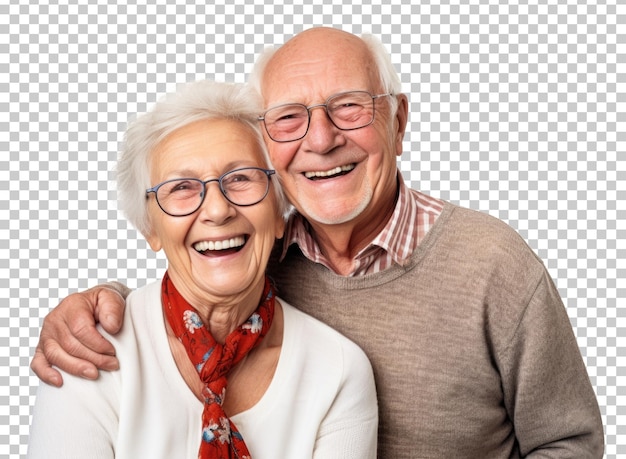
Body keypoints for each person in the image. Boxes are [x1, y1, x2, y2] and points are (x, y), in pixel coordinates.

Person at [31, 27, 604, 457]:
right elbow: (194, 264)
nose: (322, 139)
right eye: (289, 118)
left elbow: (571, 443)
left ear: (398, 122)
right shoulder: (260, 251)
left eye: (350, 107)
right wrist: (95, 303)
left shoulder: (495, 266)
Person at [27, 79, 378, 459]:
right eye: (181, 187)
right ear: (150, 229)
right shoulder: (90, 350)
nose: (217, 210)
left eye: (241, 178)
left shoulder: (337, 369)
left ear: (279, 214)